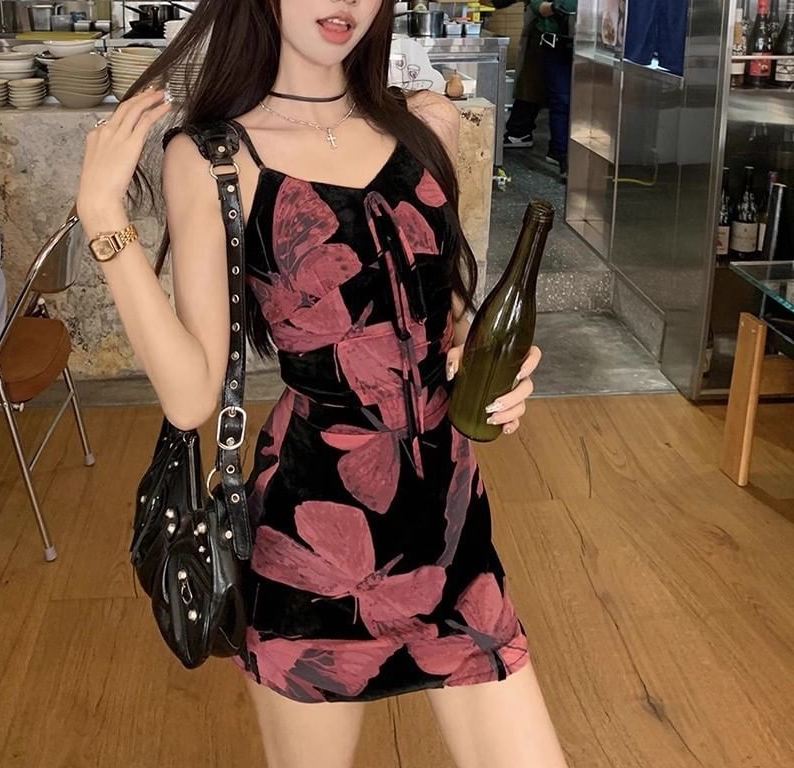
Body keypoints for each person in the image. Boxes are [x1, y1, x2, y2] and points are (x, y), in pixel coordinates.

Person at [74, 2, 570, 767]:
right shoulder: (214, 158)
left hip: (449, 525)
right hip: (313, 541)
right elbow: (191, 396)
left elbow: (444, 318)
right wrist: (103, 214)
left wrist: (492, 368)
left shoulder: (427, 126)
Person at [531, 0, 577, 180]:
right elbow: (536, 5)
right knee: (562, 101)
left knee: (591, 102)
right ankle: (563, 157)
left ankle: (579, 156)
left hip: (595, 44)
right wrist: (553, 7)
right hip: (557, 45)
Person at [493, 0, 547, 149]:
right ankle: (519, 131)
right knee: (531, 82)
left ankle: (519, 131)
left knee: (529, 83)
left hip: (542, 36)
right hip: (543, 34)